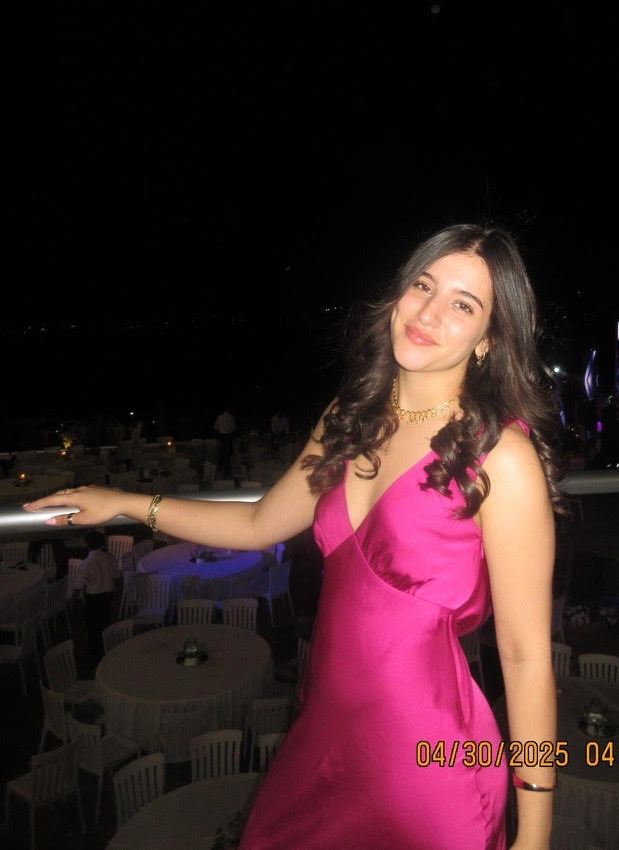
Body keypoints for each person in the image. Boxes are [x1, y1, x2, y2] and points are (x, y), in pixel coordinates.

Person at [25, 223, 565, 850]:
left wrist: (535, 833)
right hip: (324, 737)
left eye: (462, 305)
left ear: (489, 340)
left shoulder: (501, 458)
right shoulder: (349, 418)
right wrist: (126, 504)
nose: (427, 313)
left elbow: (525, 657)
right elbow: (258, 524)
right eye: (423, 286)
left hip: (430, 767)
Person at [72, 531, 121, 657]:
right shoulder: (110, 558)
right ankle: (108, 647)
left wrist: (72, 599)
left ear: (87, 544)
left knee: (92, 625)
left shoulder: (85, 563)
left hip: (93, 597)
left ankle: (95, 651)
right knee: (106, 620)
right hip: (108, 595)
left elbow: (79, 585)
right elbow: (117, 577)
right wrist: (118, 594)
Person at [213, 408, 236, 478]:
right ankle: (227, 469)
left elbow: (215, 427)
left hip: (221, 435)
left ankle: (221, 468)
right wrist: (228, 430)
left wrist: (221, 428)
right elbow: (233, 427)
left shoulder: (219, 417)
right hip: (228, 436)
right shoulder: (231, 417)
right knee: (228, 452)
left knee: (221, 451)